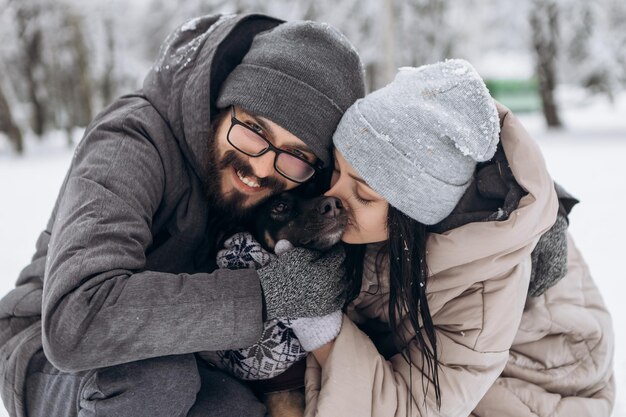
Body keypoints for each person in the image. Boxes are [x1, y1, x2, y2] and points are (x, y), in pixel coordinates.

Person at [0, 13, 365, 417]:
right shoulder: (130, 142)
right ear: (222, 105)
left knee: (237, 410)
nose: (262, 168)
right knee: (160, 381)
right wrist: (266, 294)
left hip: (181, 356)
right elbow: (76, 321)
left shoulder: (281, 183)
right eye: (254, 130)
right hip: (45, 353)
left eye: (295, 154)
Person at [300, 60, 615, 416]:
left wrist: (317, 322)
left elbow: (410, 408)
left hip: (544, 387)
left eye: (365, 195)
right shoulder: (429, 198)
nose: (332, 196)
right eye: (338, 169)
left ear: (413, 211)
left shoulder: (483, 289)